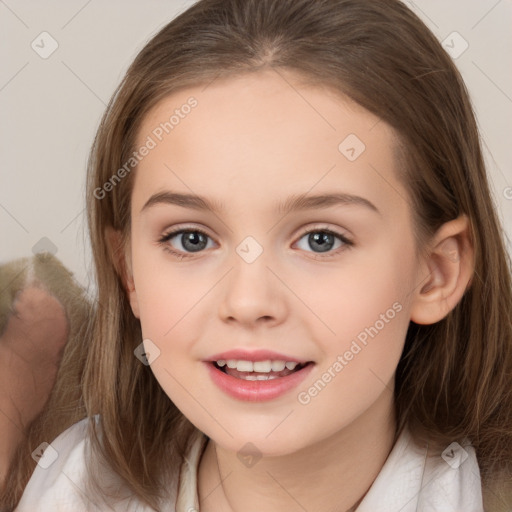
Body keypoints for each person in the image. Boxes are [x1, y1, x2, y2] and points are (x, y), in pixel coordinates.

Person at [2, 0, 511, 510]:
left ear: (436, 274)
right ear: (128, 271)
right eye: (191, 239)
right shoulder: (68, 485)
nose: (248, 303)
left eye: (321, 239)